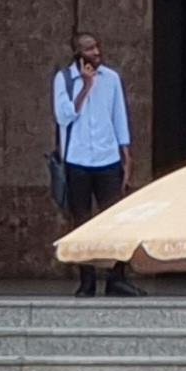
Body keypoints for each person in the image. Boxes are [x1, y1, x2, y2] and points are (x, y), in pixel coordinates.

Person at [52, 31, 133, 296]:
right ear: (78, 53)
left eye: (97, 47)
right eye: (89, 49)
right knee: (82, 221)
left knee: (114, 219)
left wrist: (126, 154)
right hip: (77, 159)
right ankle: (86, 280)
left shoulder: (111, 79)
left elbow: (118, 116)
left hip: (107, 157)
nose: (95, 53)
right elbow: (64, 116)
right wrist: (85, 88)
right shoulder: (64, 80)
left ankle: (117, 277)